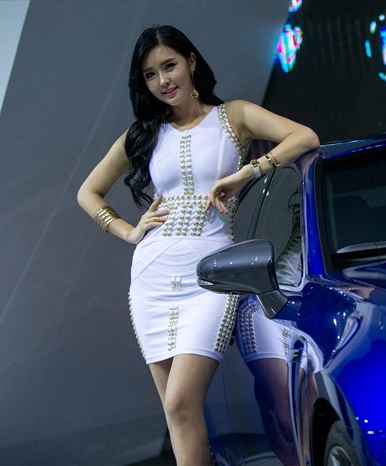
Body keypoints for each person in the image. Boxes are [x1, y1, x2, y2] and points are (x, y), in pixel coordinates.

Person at [76, 25, 319, 466]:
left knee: (180, 402)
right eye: (150, 74)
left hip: (212, 277)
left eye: (169, 66)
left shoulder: (234, 116)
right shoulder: (144, 133)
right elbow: (87, 192)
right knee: (177, 414)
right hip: (152, 277)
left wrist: (245, 173)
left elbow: (305, 137)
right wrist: (129, 231)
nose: (162, 81)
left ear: (190, 61)